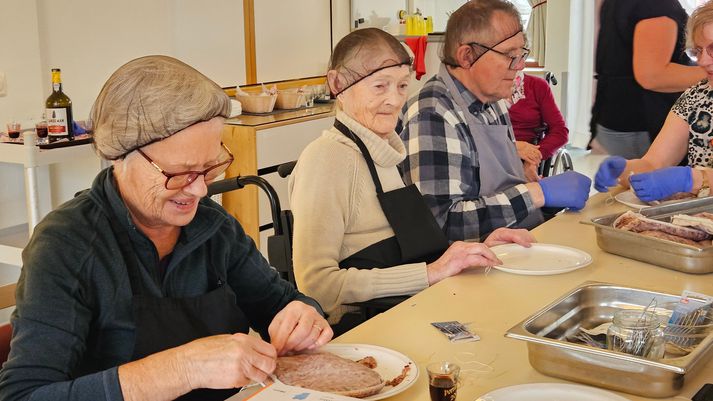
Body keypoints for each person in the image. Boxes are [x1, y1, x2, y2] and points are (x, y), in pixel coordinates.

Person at [0, 56, 332, 401]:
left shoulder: (215, 229)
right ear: (119, 156)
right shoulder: (66, 246)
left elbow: (280, 303)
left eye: (209, 169)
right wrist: (182, 368)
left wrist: (304, 315)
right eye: (180, 173)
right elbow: (24, 395)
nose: (200, 190)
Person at [288, 28, 535, 331]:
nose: (394, 100)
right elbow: (317, 286)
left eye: (402, 86)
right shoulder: (327, 158)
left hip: (415, 308)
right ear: (338, 83)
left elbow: (412, 249)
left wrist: (478, 246)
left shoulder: (386, 153)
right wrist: (431, 273)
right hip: (367, 327)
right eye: (380, 86)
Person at [398, 0, 591, 243]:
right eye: (511, 55)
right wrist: (536, 195)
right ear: (467, 56)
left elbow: (500, 188)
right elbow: (443, 224)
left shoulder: (493, 101)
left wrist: (546, 199)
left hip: (516, 244)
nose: (520, 65)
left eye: (522, 54)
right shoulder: (433, 113)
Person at [594, 2, 713, 201]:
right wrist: (625, 170)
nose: (702, 61)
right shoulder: (697, 96)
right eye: (699, 51)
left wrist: (690, 179)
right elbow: (655, 163)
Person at [509, 73, 569, 182]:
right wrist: (512, 147)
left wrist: (533, 158)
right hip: (489, 154)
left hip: (527, 155)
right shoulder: (480, 87)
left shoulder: (537, 86)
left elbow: (560, 131)